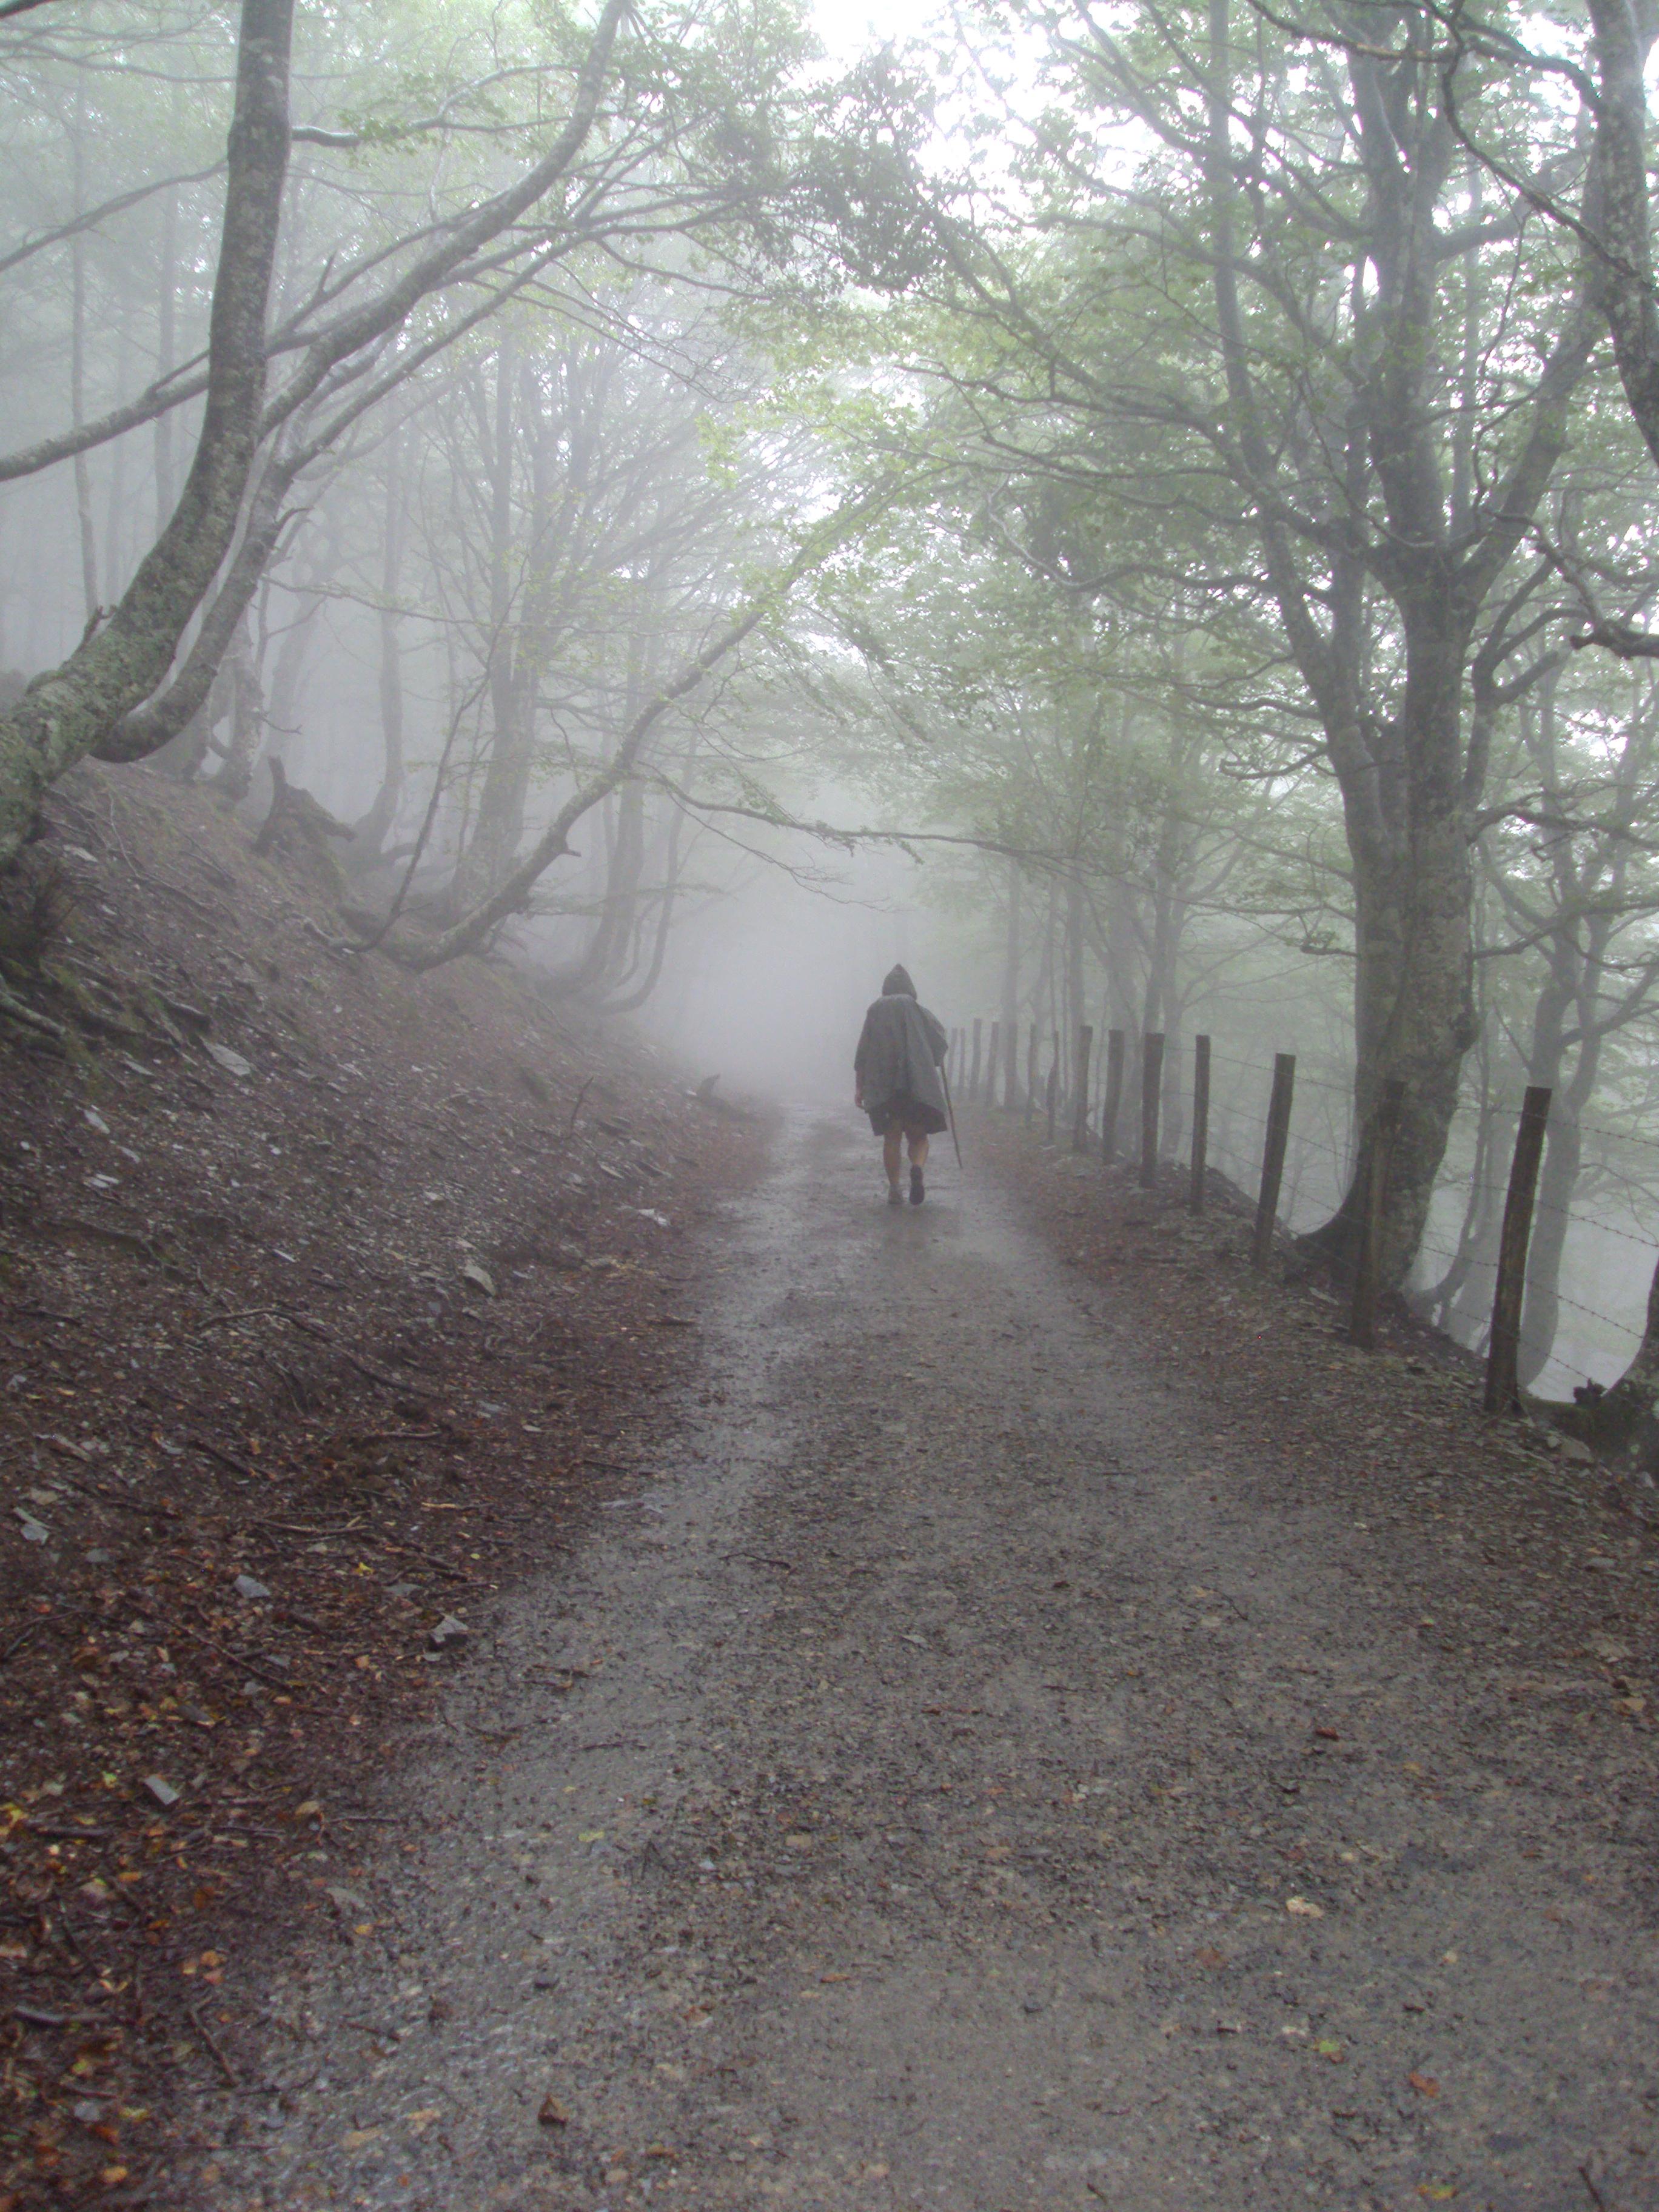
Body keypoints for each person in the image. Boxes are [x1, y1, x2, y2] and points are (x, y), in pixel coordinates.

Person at [853, 964, 950, 1205]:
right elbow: (939, 1040)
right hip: (917, 1086)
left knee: (892, 1137)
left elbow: (863, 1051)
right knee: (918, 1137)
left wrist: (860, 1086)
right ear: (910, 988)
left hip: (885, 1088)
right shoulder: (917, 1009)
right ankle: (917, 1168)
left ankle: (895, 1188)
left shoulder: (875, 1010)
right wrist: (934, 1059)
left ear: (886, 988)